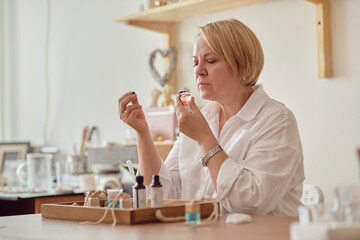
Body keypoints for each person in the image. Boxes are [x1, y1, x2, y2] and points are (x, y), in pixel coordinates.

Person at [118, 18, 304, 216]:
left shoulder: (277, 120)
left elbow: (251, 203)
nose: (198, 71)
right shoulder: (202, 117)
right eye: (196, 62)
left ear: (243, 65)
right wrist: (143, 134)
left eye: (211, 61)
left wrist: (205, 139)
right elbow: (161, 193)